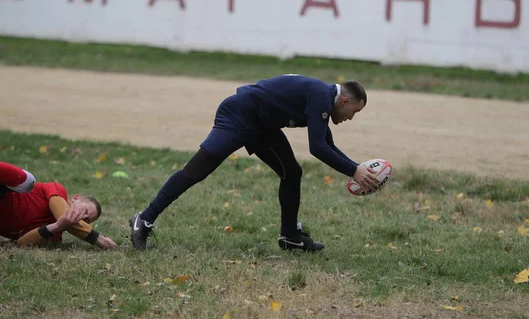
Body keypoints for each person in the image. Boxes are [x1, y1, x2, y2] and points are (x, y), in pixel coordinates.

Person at [129, 75, 380, 252]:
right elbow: (318, 148)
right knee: (197, 170)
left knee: (291, 172)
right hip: (239, 114)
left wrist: (357, 168)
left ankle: (290, 236)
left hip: (263, 125)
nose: (350, 118)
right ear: (344, 102)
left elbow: (327, 144)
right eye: (354, 113)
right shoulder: (320, 96)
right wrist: (354, 170)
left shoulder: (323, 98)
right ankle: (145, 218)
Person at [0, 161, 117, 249]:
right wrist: (97, 238)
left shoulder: (54, 237)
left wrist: (56, 226)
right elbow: (64, 214)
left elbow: (21, 243)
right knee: (28, 181)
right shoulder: (58, 190)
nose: (81, 218)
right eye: (85, 210)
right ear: (76, 198)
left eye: (86, 220)